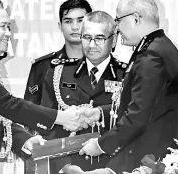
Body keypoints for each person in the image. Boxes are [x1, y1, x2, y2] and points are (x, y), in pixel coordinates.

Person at [0, 0, 99, 174]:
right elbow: (9, 105)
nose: (8, 33)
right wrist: (62, 117)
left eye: (9, 27)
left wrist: (25, 140)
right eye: (3, 26)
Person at [80, 0, 178, 174]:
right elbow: (149, 104)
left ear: (136, 18)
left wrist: (101, 144)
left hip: (150, 158)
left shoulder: (153, 55)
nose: (117, 27)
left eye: (119, 20)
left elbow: (138, 116)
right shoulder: (158, 47)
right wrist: (100, 113)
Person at [39, 11, 126, 174]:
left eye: (99, 38)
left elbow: (133, 127)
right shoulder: (58, 73)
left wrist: (112, 170)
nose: (92, 45)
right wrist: (62, 166)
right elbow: (48, 126)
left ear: (113, 40)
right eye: (86, 37)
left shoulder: (128, 75)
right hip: (69, 168)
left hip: (112, 168)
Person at [24, 0, 92, 105]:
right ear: (60, 26)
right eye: (68, 21)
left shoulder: (103, 64)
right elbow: (30, 112)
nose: (75, 27)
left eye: (80, 21)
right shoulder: (43, 67)